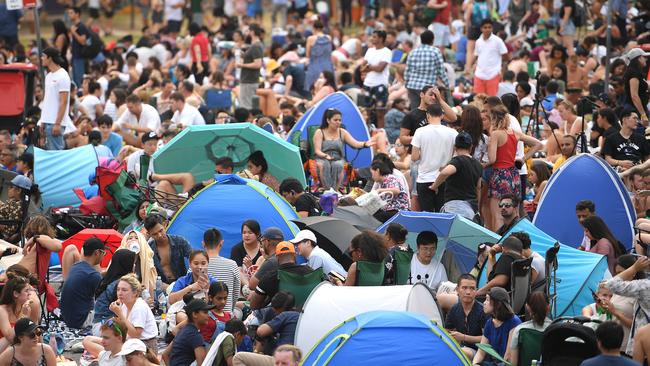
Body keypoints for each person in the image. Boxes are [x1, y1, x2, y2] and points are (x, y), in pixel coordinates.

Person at [487, 104, 542, 231]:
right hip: (513, 174)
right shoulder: (514, 133)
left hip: (500, 175)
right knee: (514, 213)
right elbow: (538, 144)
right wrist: (523, 159)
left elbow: (492, 159)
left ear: (494, 119)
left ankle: (500, 242)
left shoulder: (496, 134)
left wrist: (483, 164)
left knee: (498, 214)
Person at [411, 103, 458, 212]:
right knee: (442, 212)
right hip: (445, 178)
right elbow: (456, 155)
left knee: (427, 213)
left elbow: (414, 157)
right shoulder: (452, 133)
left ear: (428, 115)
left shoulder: (420, 132)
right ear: (442, 116)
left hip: (424, 178)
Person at [313, 108, 373, 191]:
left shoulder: (342, 132)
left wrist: (365, 144)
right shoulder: (319, 132)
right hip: (323, 157)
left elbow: (355, 143)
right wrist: (325, 155)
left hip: (338, 158)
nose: (338, 122)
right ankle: (327, 190)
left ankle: (335, 190)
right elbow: (317, 151)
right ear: (328, 120)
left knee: (338, 165)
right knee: (324, 165)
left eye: (340, 120)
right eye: (335, 120)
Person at [602, 256, 650, 356]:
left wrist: (634, 268)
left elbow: (610, 284)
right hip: (624, 345)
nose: (619, 276)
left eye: (621, 273)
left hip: (639, 346)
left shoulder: (642, 288)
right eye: (616, 273)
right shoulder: (624, 291)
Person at [430, 131, 483, 220]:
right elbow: (478, 187)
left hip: (455, 207)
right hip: (471, 208)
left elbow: (445, 172)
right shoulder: (478, 165)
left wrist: (434, 186)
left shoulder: (458, 161)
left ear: (455, 147)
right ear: (471, 147)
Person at [250, 242, 313, 309]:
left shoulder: (270, 277)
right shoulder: (310, 272)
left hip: (279, 317)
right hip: (307, 313)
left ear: (277, 257)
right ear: (295, 255)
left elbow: (254, 305)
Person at [60, 237, 106, 329]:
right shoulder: (93, 275)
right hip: (81, 320)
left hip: (68, 318)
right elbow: (105, 299)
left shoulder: (75, 267)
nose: (103, 256)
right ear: (97, 253)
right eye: (103, 253)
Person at [92, 250, 138, 335]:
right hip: (106, 327)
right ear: (126, 264)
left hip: (97, 324)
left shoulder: (107, 279)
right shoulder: (121, 284)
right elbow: (126, 307)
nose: (134, 266)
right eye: (133, 263)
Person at [109, 274, 158, 352]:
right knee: (89, 340)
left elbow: (135, 335)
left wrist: (119, 314)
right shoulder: (124, 305)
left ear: (135, 293)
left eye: (124, 290)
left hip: (144, 346)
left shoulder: (139, 306)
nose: (120, 293)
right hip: (131, 343)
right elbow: (123, 330)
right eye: (118, 289)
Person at [472, 287, 522, 364]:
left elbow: (508, 356)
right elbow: (481, 352)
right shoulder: (489, 323)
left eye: (488, 300)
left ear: (498, 304)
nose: (484, 303)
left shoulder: (514, 322)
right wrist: (474, 364)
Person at [444, 274, 487, 359]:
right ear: (457, 290)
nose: (468, 292)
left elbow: (487, 338)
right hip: (461, 347)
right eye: (464, 288)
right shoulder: (454, 309)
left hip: (480, 352)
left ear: (476, 291)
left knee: (462, 352)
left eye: (472, 288)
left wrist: (463, 337)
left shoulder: (483, 311)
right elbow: (446, 331)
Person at [39, 47, 74, 151]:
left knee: (56, 153)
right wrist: (43, 120)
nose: (41, 58)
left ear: (50, 58)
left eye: (43, 56)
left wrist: (58, 123)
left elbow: (63, 102)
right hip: (47, 122)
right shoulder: (48, 76)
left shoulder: (63, 76)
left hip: (56, 123)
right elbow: (47, 100)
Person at [404, 30, 449, 109]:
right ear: (432, 40)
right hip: (428, 88)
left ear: (421, 40)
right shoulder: (435, 51)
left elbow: (407, 71)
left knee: (415, 112)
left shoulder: (413, 52)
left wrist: (407, 84)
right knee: (431, 112)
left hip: (413, 86)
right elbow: (441, 71)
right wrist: (447, 85)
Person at [144, 214, 192, 287]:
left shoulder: (179, 241)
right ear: (149, 234)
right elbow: (148, 274)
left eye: (160, 231)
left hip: (183, 283)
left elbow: (194, 258)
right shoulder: (148, 250)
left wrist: (190, 277)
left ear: (165, 224)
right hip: (161, 287)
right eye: (155, 234)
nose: (159, 235)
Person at [506, 293, 552, 365]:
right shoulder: (556, 330)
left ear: (527, 307)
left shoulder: (520, 330)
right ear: (549, 307)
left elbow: (513, 363)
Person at [204, 229, 240, 313]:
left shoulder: (196, 266)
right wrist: (230, 310)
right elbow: (235, 294)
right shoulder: (232, 265)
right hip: (226, 315)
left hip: (203, 316)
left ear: (203, 244)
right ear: (221, 243)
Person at [168, 298, 211, 366]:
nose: (208, 316)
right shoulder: (195, 336)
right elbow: (203, 364)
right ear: (194, 314)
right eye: (205, 312)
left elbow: (165, 354)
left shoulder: (182, 332)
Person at [471, 19, 508, 96]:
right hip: (479, 75)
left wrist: (502, 72)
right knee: (478, 100)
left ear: (492, 28)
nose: (487, 29)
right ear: (481, 29)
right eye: (485, 27)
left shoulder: (498, 41)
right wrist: (470, 67)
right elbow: (476, 56)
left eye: (489, 27)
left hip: (493, 74)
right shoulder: (478, 41)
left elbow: (506, 57)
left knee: (492, 101)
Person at [0, 277, 37, 352]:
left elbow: (34, 334)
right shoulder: (2, 310)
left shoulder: (26, 308)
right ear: (16, 294)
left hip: (16, 347)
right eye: (26, 290)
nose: (29, 293)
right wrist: (23, 317)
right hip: (4, 347)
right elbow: (10, 338)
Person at [118, 230, 157, 296]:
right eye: (130, 238)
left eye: (136, 238)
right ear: (125, 242)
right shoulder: (118, 256)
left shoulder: (147, 259)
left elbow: (151, 283)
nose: (133, 240)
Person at [0, 176, 38, 242]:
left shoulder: (17, 206)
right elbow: (7, 210)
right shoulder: (15, 202)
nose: (8, 188)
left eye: (11, 187)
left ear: (18, 191)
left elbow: (9, 231)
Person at [247, 227, 285, 292]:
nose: (261, 244)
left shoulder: (271, 261)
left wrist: (263, 262)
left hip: (270, 299)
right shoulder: (286, 257)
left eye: (262, 241)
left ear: (267, 242)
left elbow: (252, 285)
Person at [361, 30, 392, 107]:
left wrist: (368, 67)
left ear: (381, 39)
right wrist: (370, 67)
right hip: (367, 85)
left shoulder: (387, 52)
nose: (371, 38)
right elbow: (361, 67)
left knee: (380, 112)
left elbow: (380, 69)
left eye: (374, 37)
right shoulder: (369, 50)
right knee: (366, 111)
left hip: (380, 85)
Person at [237, 24, 264, 109]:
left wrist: (242, 65)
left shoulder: (256, 46)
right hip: (248, 80)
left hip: (249, 80)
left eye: (248, 31)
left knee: (246, 105)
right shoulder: (253, 45)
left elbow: (258, 64)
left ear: (252, 32)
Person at [230, 220, 263, 289]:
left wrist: (250, 267)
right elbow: (237, 272)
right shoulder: (236, 249)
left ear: (258, 234)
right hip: (243, 287)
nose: (246, 235)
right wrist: (248, 287)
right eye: (244, 233)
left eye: (250, 233)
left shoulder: (263, 248)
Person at [304, 20, 333, 94]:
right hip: (328, 66)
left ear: (314, 28)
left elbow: (307, 55)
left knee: (314, 90)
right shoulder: (329, 38)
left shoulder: (310, 39)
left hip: (315, 66)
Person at [623, 48, 650, 125]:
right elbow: (634, 96)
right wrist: (643, 115)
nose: (646, 59)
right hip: (634, 110)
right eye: (644, 57)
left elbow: (646, 86)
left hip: (639, 108)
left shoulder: (636, 73)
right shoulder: (634, 74)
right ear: (638, 58)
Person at [67, 6, 90, 87]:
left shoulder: (81, 26)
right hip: (75, 56)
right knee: (75, 79)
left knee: (79, 80)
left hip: (80, 57)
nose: (69, 15)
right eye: (68, 13)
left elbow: (83, 41)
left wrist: (74, 32)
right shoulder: (75, 26)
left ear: (77, 14)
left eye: (71, 13)